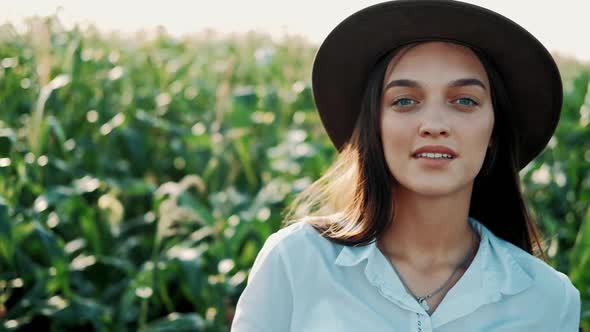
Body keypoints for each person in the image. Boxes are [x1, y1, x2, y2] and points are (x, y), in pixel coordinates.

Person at [231, 0, 581, 331]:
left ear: (494, 131)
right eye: (404, 101)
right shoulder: (295, 261)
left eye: (464, 100)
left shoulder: (548, 299)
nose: (434, 123)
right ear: (375, 126)